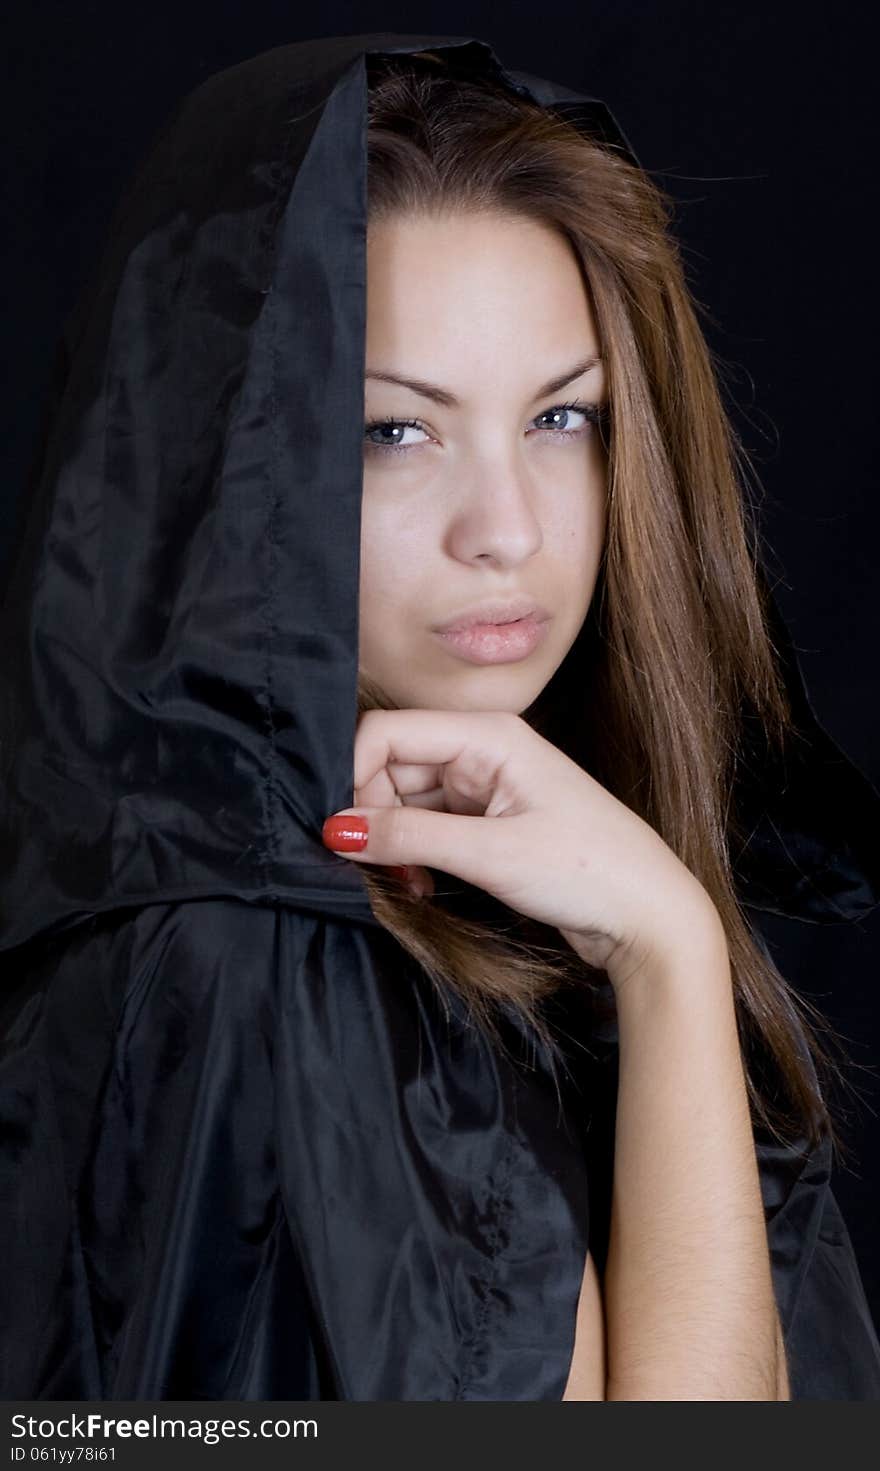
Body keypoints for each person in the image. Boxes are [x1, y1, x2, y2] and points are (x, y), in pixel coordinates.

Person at [1, 32, 879, 1401]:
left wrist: (664, 941)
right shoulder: (280, 963)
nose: (508, 531)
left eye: (562, 419)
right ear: (242, 461)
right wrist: (669, 953)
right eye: (391, 433)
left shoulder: (432, 895)